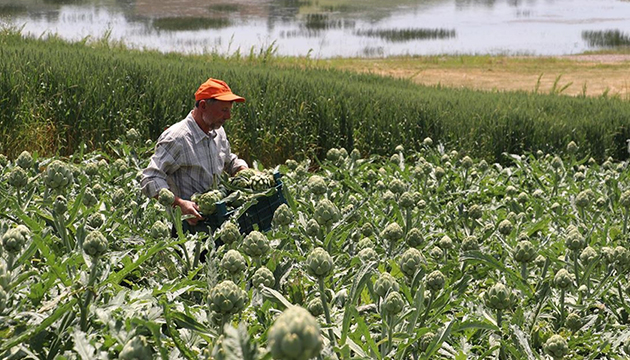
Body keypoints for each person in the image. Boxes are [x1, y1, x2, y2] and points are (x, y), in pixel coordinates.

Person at [141, 78, 249, 232]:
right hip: (186, 230)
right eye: (224, 110)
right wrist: (179, 205)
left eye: (230, 110)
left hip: (217, 225)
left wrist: (243, 171)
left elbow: (228, 160)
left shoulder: (218, 131)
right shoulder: (177, 138)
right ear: (203, 106)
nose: (228, 117)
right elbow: (150, 177)